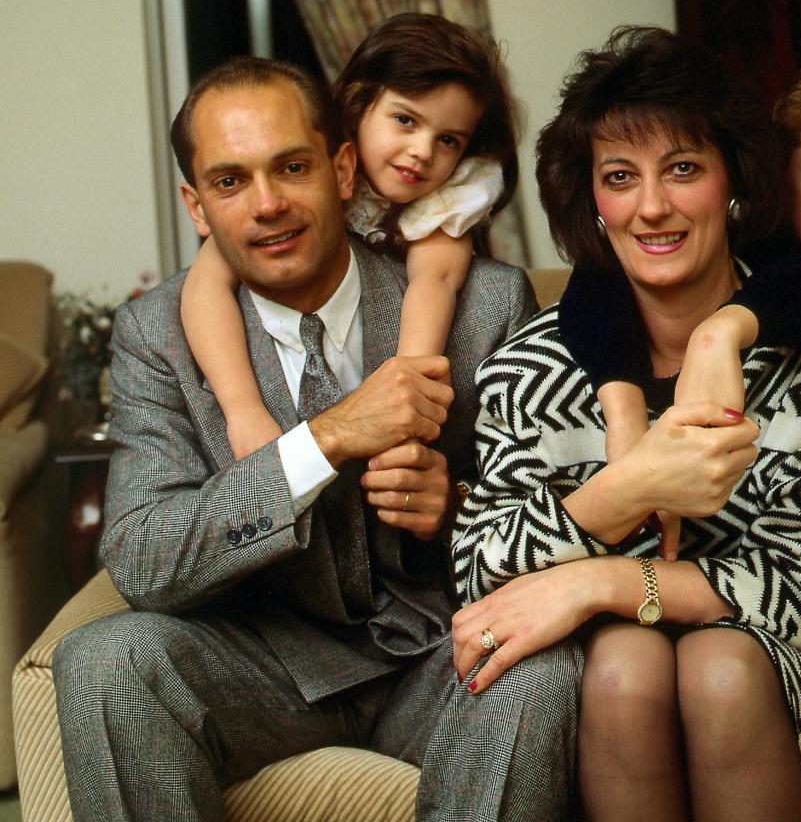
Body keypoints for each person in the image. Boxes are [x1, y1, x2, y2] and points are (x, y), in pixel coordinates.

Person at [52, 55, 581, 822]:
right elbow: (144, 559)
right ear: (197, 208)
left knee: (547, 670)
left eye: (291, 167)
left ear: (340, 169)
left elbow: (561, 516)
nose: (267, 204)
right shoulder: (157, 333)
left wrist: (456, 504)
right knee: (104, 662)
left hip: (439, 653)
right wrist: (324, 439)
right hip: (257, 660)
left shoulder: (486, 302)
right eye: (230, 182)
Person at [451, 27, 801, 821]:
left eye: (683, 170)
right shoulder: (525, 372)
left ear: (734, 181)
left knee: (717, 668)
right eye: (620, 177)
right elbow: (480, 576)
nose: (653, 207)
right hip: (612, 663)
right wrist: (624, 489)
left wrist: (599, 579)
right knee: (626, 663)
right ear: (592, 201)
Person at [557, 56, 801, 546]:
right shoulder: (730, 232)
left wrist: (722, 330)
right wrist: (625, 412)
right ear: (777, 172)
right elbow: (596, 275)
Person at [181, 13, 517, 459]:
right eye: (405, 120)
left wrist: (405, 418)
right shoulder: (308, 175)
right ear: (359, 106)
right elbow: (204, 284)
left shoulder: (448, 202)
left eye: (449, 140)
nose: (422, 151)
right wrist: (242, 411)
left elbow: (432, 287)